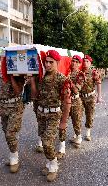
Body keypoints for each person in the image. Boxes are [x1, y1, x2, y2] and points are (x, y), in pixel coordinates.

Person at [30, 50, 71, 182]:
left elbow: (67, 101)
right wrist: (32, 81)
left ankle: (53, 165)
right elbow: (35, 96)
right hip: (41, 113)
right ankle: (48, 163)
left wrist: (63, 121)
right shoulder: (40, 77)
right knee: (43, 139)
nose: (47, 64)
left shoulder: (62, 79)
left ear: (57, 62)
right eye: (46, 62)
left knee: (47, 142)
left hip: (54, 114)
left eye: (50, 62)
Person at [0, 73, 25, 174]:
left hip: (15, 107)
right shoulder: (0, 76)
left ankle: (14, 159)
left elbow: (18, 92)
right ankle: (13, 154)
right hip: (4, 108)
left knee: (10, 134)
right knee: (6, 132)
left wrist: (12, 76)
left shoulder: (19, 76)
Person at [80, 55, 102, 141]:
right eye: (84, 61)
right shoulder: (79, 71)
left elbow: (99, 83)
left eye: (87, 61)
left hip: (90, 97)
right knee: (77, 116)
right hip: (80, 97)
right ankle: (77, 134)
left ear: (90, 63)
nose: (85, 63)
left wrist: (99, 96)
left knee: (89, 115)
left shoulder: (93, 72)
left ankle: (88, 133)